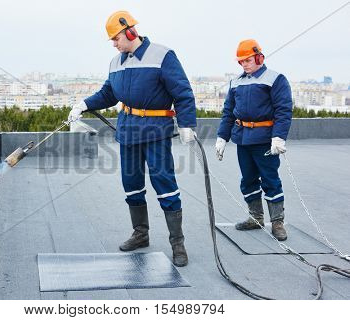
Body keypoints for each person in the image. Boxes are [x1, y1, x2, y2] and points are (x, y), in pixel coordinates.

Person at [68, 11, 197, 266]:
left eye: (115, 38)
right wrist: (83, 104)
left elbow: (183, 93)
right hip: (128, 130)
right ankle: (141, 235)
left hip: (155, 131)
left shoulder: (163, 56)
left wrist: (187, 124)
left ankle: (177, 243)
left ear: (130, 32)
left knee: (164, 183)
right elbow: (109, 94)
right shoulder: (116, 62)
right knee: (132, 183)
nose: (114, 44)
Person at [216, 39, 293, 241]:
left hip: (265, 139)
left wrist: (278, 137)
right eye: (241, 62)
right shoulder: (236, 82)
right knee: (248, 179)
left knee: (270, 180)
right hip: (243, 139)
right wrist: (222, 137)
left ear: (259, 57)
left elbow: (283, 111)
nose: (244, 64)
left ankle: (277, 222)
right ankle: (256, 218)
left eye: (248, 60)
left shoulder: (275, 79)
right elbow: (228, 113)